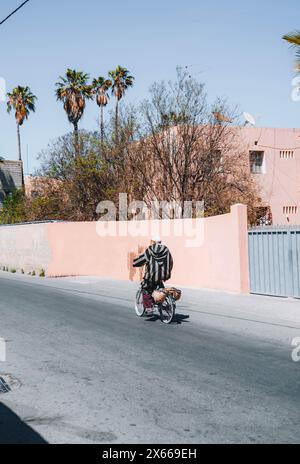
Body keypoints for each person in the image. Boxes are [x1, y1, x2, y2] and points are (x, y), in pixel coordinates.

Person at [133, 237, 173, 308]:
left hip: (151, 276)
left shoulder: (150, 249)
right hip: (163, 275)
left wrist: (135, 263)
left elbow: (143, 259)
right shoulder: (166, 250)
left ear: (153, 242)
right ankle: (165, 302)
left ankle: (148, 308)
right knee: (161, 288)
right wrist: (167, 273)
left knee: (145, 288)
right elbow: (171, 262)